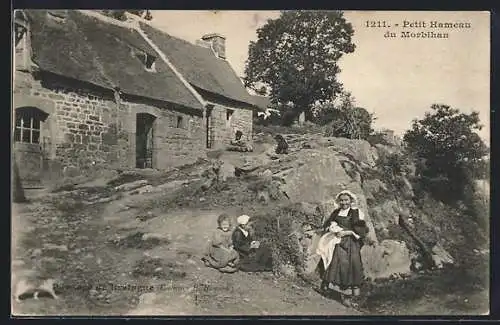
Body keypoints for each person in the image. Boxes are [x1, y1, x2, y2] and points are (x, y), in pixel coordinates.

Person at [320, 190, 369, 308]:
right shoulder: (336, 212)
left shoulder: (356, 213)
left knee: (352, 266)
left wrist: (349, 232)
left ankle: (349, 297)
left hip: (351, 243)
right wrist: (332, 228)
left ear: (351, 200)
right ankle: (334, 291)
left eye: (346, 200)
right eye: (341, 200)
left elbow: (361, 230)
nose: (344, 202)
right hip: (338, 242)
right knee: (337, 264)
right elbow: (328, 224)